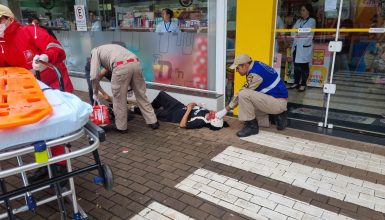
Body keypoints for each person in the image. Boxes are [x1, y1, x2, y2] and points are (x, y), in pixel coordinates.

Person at [0, 5, 73, 182]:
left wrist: (46, 58)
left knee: (55, 130)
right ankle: (46, 165)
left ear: (9, 19)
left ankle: (61, 168)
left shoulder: (30, 31)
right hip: (30, 92)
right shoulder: (1, 44)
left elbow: (55, 47)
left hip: (53, 85)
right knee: (36, 130)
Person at [90, 44, 159, 133]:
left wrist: (95, 92)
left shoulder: (95, 52)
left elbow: (94, 76)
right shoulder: (110, 47)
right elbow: (110, 65)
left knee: (119, 99)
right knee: (141, 94)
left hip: (120, 67)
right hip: (136, 63)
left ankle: (121, 127)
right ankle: (153, 121)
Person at [221, 54, 288, 137]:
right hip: (275, 100)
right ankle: (275, 118)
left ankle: (252, 127)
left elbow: (241, 93)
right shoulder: (256, 64)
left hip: (278, 103)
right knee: (246, 114)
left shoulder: (255, 74)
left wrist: (225, 110)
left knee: (244, 94)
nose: (237, 71)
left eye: (237, 68)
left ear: (245, 65)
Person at [147, 91, 226, 130]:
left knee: (148, 112)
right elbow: (196, 106)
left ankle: (137, 109)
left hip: (172, 115)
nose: (214, 111)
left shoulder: (200, 122)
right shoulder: (207, 112)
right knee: (162, 94)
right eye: (215, 112)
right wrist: (194, 104)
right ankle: (150, 106)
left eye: (214, 114)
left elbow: (182, 125)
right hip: (178, 106)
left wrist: (189, 109)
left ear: (212, 119)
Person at [289, 3, 316, 92]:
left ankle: (303, 84)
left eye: (303, 10)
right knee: (296, 66)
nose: (301, 12)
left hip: (305, 47)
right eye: (301, 10)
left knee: (304, 66)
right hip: (297, 46)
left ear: (308, 11)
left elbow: (306, 32)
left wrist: (297, 32)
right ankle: (296, 82)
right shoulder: (299, 21)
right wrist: (297, 32)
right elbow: (292, 32)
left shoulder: (312, 21)